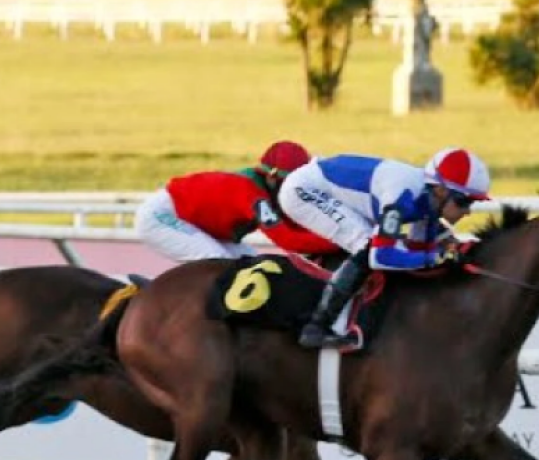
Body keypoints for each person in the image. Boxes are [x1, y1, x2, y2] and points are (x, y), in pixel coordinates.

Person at [278, 147, 491, 348]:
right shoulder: (402, 195)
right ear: (442, 190)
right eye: (464, 202)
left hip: (334, 188)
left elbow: (420, 250)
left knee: (390, 247)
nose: (468, 212)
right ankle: (317, 326)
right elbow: (381, 257)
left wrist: (444, 252)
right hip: (304, 189)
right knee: (367, 245)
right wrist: (435, 257)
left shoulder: (429, 198)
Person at [133, 140, 341, 264]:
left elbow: (299, 228)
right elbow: (288, 240)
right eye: (289, 182)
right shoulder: (251, 194)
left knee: (254, 267)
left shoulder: (272, 188)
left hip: (204, 226)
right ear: (270, 177)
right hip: (163, 215)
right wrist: (344, 241)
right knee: (220, 265)